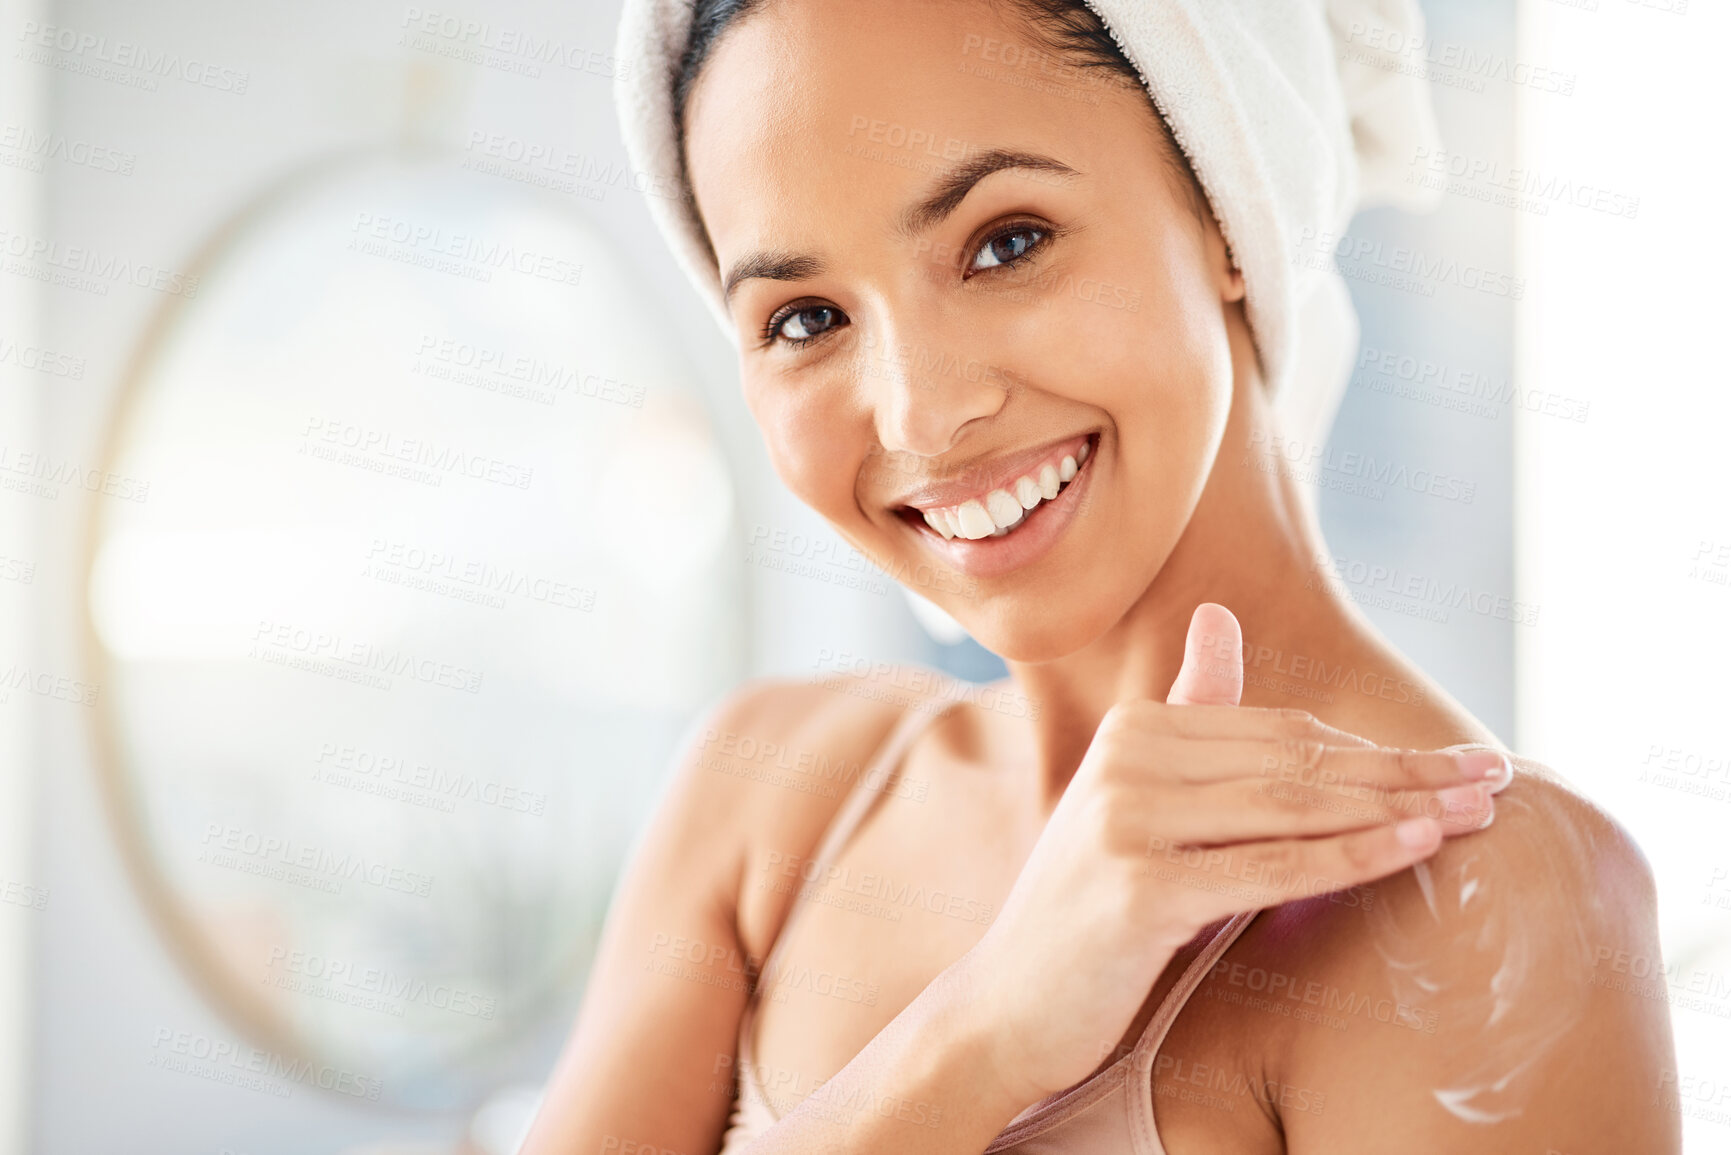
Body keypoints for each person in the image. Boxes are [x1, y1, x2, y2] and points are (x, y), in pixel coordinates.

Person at [521, 0, 1677, 1151]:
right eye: (807, 318)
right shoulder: (770, 802)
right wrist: (986, 1035)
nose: (922, 410)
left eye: (1006, 241)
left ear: (1228, 208)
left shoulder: (1484, 902)